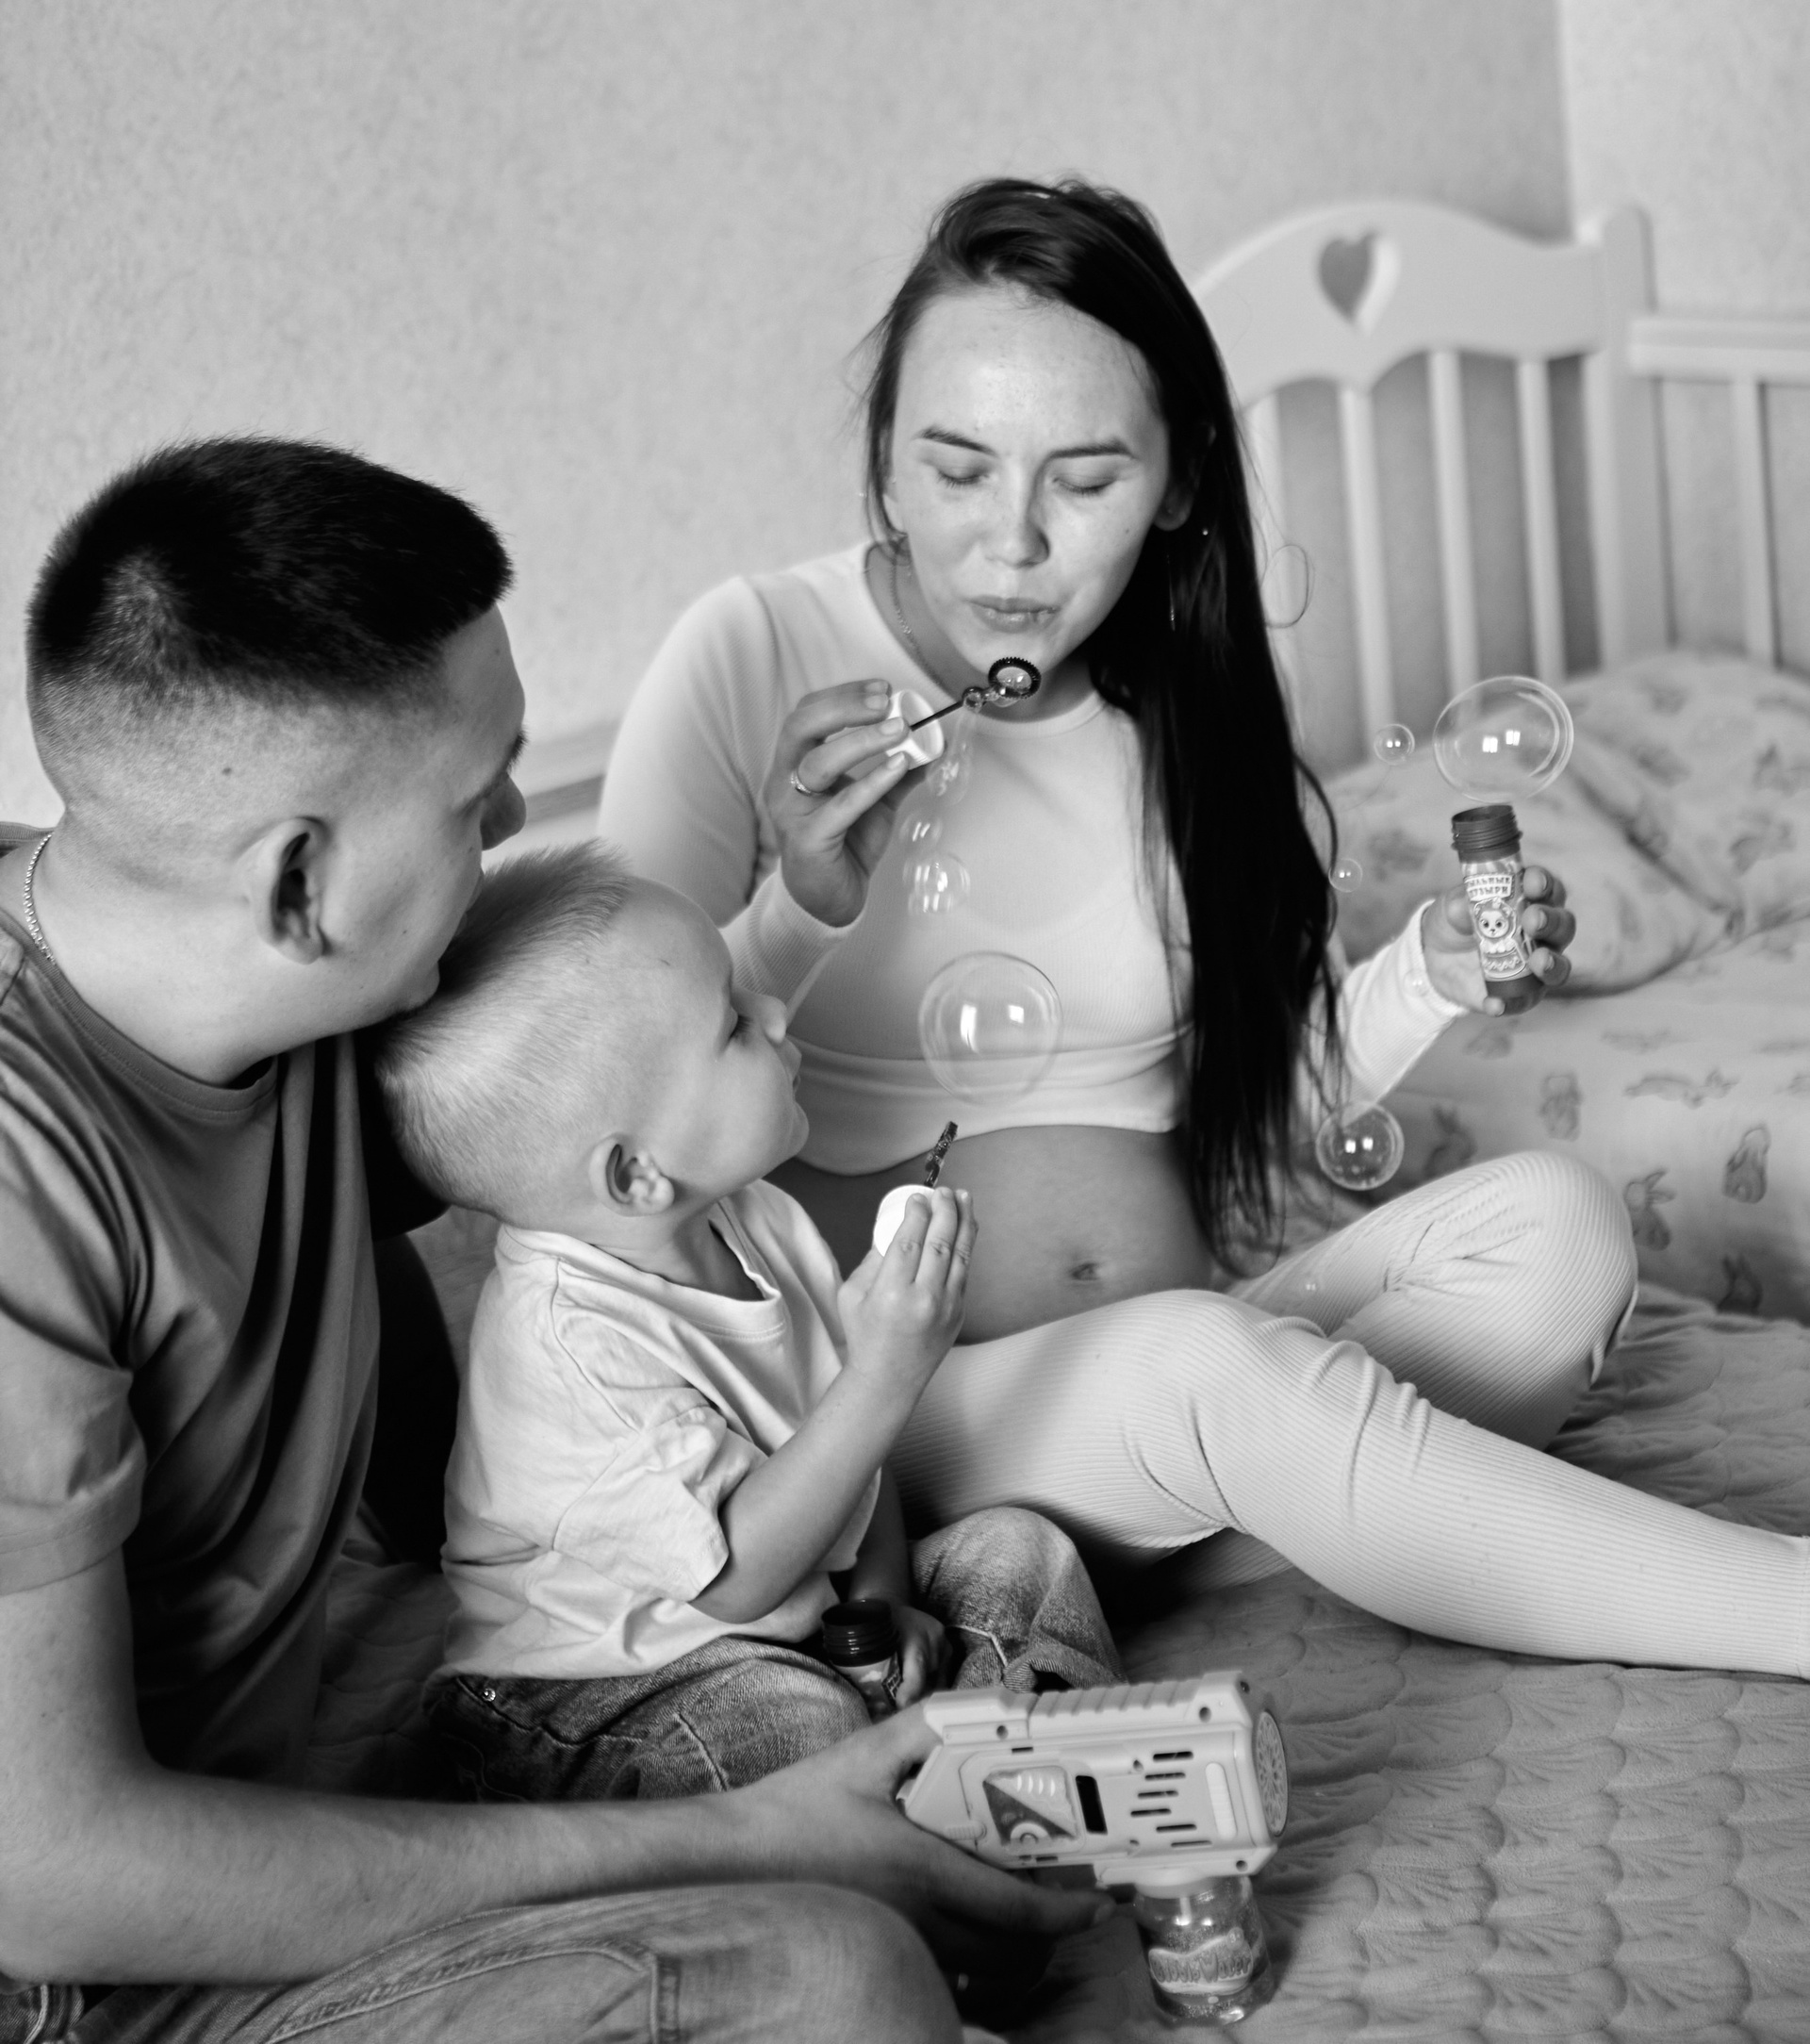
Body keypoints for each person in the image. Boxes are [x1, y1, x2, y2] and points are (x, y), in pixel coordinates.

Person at [600, 177, 1810, 1679]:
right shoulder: (751, 654)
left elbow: (1270, 1094)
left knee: (1561, 1227)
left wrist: (1428, 975)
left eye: (1085, 479)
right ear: (887, 463)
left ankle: (1238, 1501)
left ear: (1177, 484)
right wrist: (803, 897)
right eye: (957, 469)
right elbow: (610, 1080)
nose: (1011, 544)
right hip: (878, 1418)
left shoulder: (1190, 718)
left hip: (1174, 1356)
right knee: (1212, 1366)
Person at [0, 437, 1106, 2044]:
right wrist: (743, 1832)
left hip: (262, 1810)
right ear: (299, 885)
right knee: (833, 1974)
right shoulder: (26, 1197)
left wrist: (796, 900)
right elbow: (54, 1878)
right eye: (476, 803)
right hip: (88, 1974)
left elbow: (605, 1100)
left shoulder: (274, 998)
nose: (518, 815)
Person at [369, 845, 1121, 1806]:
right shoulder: (569, 1351)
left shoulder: (759, 1219)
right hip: (593, 1691)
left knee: (1020, 1550)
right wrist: (888, 1372)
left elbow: (848, 1463)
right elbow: (738, 1581)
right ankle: (920, 1813)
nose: (774, 1012)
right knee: (798, 1721)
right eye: (733, 1022)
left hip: (794, 1619)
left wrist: (880, 1608)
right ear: (637, 1175)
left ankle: (1025, 1778)